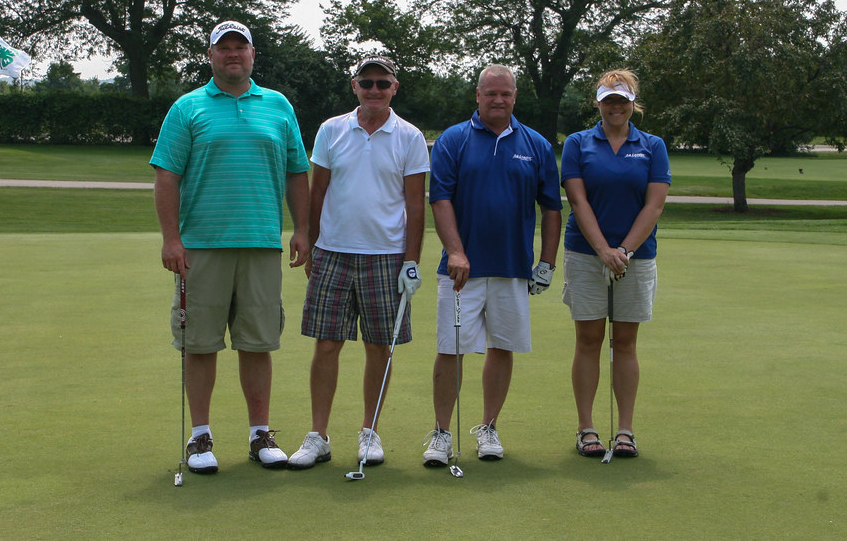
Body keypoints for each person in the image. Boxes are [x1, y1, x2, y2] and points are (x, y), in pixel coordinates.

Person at [150, 20, 311, 475]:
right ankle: (200, 436)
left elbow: (297, 172)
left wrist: (303, 229)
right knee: (199, 344)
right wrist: (171, 238)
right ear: (211, 55)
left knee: (257, 343)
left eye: (241, 47)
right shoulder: (188, 108)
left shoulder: (278, 106)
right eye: (224, 48)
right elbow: (167, 176)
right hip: (201, 246)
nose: (233, 54)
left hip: (261, 242)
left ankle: (260, 434)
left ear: (253, 55)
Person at [287, 55, 430, 470]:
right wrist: (311, 243)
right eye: (366, 83)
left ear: (394, 88)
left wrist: (412, 261)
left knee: (379, 348)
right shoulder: (333, 129)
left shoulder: (410, 136)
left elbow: (415, 206)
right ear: (354, 87)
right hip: (333, 252)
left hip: (386, 257)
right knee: (327, 344)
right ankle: (318, 435)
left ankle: (370, 432)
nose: (373, 90)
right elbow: (318, 193)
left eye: (382, 83)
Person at [422, 65, 563, 466]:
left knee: (502, 347)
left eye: (505, 93)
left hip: (513, 266)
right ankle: (441, 432)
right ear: (478, 96)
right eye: (490, 93)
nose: (498, 100)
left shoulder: (535, 144)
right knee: (451, 349)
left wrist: (547, 263)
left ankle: (488, 427)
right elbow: (441, 199)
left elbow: (551, 208)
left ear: (515, 96)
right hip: (460, 271)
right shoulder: (454, 139)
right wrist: (455, 250)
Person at [560, 70, 670, 459]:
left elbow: (654, 204)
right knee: (588, 341)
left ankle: (625, 430)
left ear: (632, 103)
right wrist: (604, 249)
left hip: (635, 258)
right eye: (609, 100)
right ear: (598, 103)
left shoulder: (652, 145)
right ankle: (587, 428)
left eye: (622, 100)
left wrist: (624, 249)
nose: (616, 107)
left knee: (625, 343)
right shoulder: (577, 143)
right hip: (586, 254)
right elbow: (578, 200)